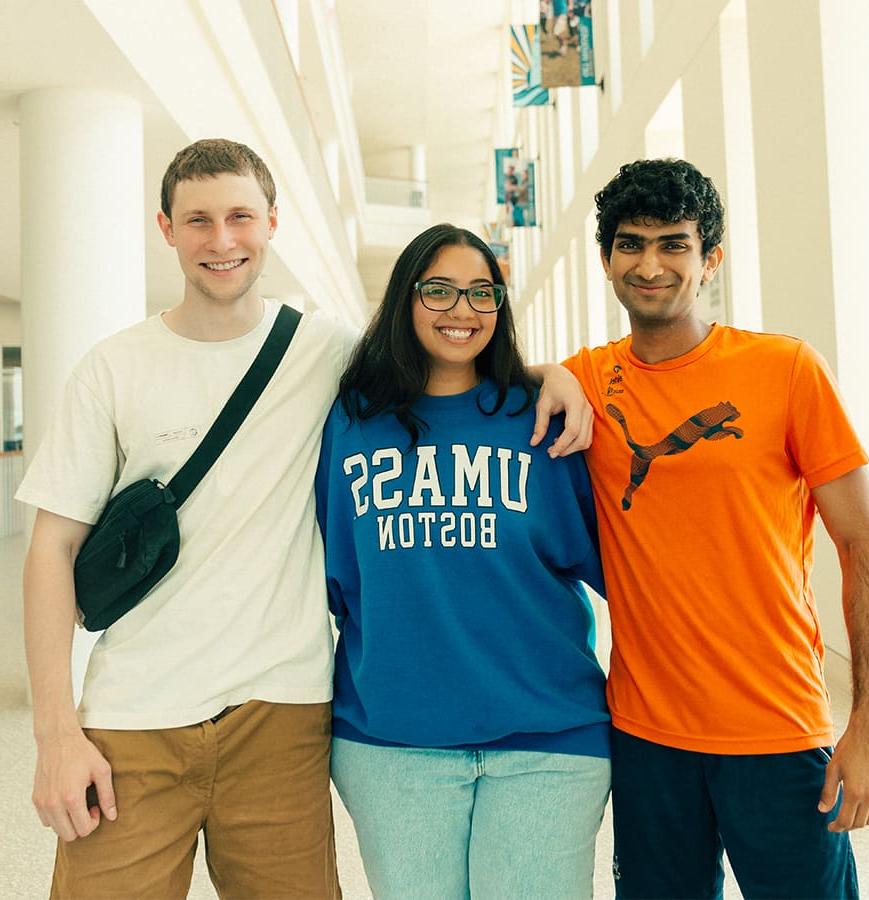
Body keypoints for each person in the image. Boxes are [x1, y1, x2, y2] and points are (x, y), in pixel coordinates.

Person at [17, 140, 593, 899]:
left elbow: (446, 355)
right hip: (134, 715)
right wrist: (57, 732)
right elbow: (51, 548)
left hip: (280, 718)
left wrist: (552, 376)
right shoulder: (114, 366)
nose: (221, 241)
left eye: (239, 217)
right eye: (198, 221)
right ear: (165, 228)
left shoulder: (325, 353)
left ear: (272, 223)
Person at [563, 158, 869, 899]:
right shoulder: (581, 379)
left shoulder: (784, 370)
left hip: (777, 729)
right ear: (608, 258)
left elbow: (863, 542)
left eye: (673, 244)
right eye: (630, 244)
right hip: (647, 738)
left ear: (711, 258)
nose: (649, 264)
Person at [315, 224, 611, 900]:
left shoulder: (541, 419)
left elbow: (604, 564)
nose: (463, 310)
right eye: (440, 290)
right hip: (392, 744)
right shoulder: (351, 422)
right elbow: (337, 572)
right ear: (405, 299)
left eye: (483, 293)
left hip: (549, 736)